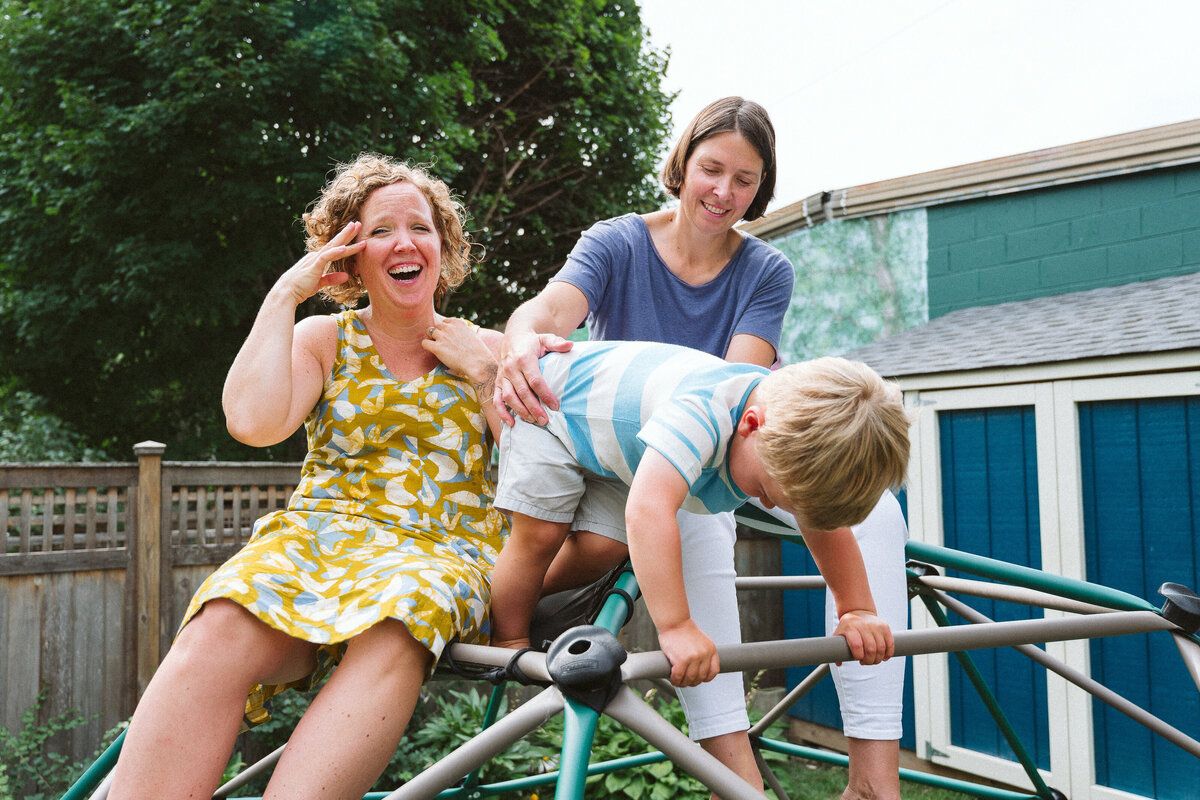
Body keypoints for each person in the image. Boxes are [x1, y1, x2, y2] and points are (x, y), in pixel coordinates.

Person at [495, 96, 910, 800]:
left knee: (875, 516)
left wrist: (855, 607)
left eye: (744, 180)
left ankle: (874, 776)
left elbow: (749, 387)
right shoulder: (618, 242)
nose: (723, 192)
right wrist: (519, 348)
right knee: (692, 514)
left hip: (727, 433)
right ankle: (733, 774)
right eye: (711, 169)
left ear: (761, 188)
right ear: (683, 163)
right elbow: (548, 312)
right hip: (653, 448)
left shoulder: (764, 270)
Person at [108, 153, 508, 800]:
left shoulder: (489, 348)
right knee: (224, 611)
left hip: (435, 552)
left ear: (443, 245)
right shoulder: (325, 338)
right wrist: (286, 294)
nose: (404, 242)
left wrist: (486, 375)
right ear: (349, 254)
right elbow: (251, 421)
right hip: (318, 541)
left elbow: (543, 472)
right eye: (380, 230)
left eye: (421, 227)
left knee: (401, 615)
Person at [489, 342, 909, 699]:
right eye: (763, 489)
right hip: (547, 410)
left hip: (619, 446)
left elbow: (822, 525)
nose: (758, 500)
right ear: (750, 425)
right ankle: (506, 638)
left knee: (603, 548)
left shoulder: (778, 425)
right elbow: (648, 512)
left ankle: (504, 595)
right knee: (539, 535)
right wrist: (676, 627)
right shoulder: (701, 414)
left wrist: (856, 608)